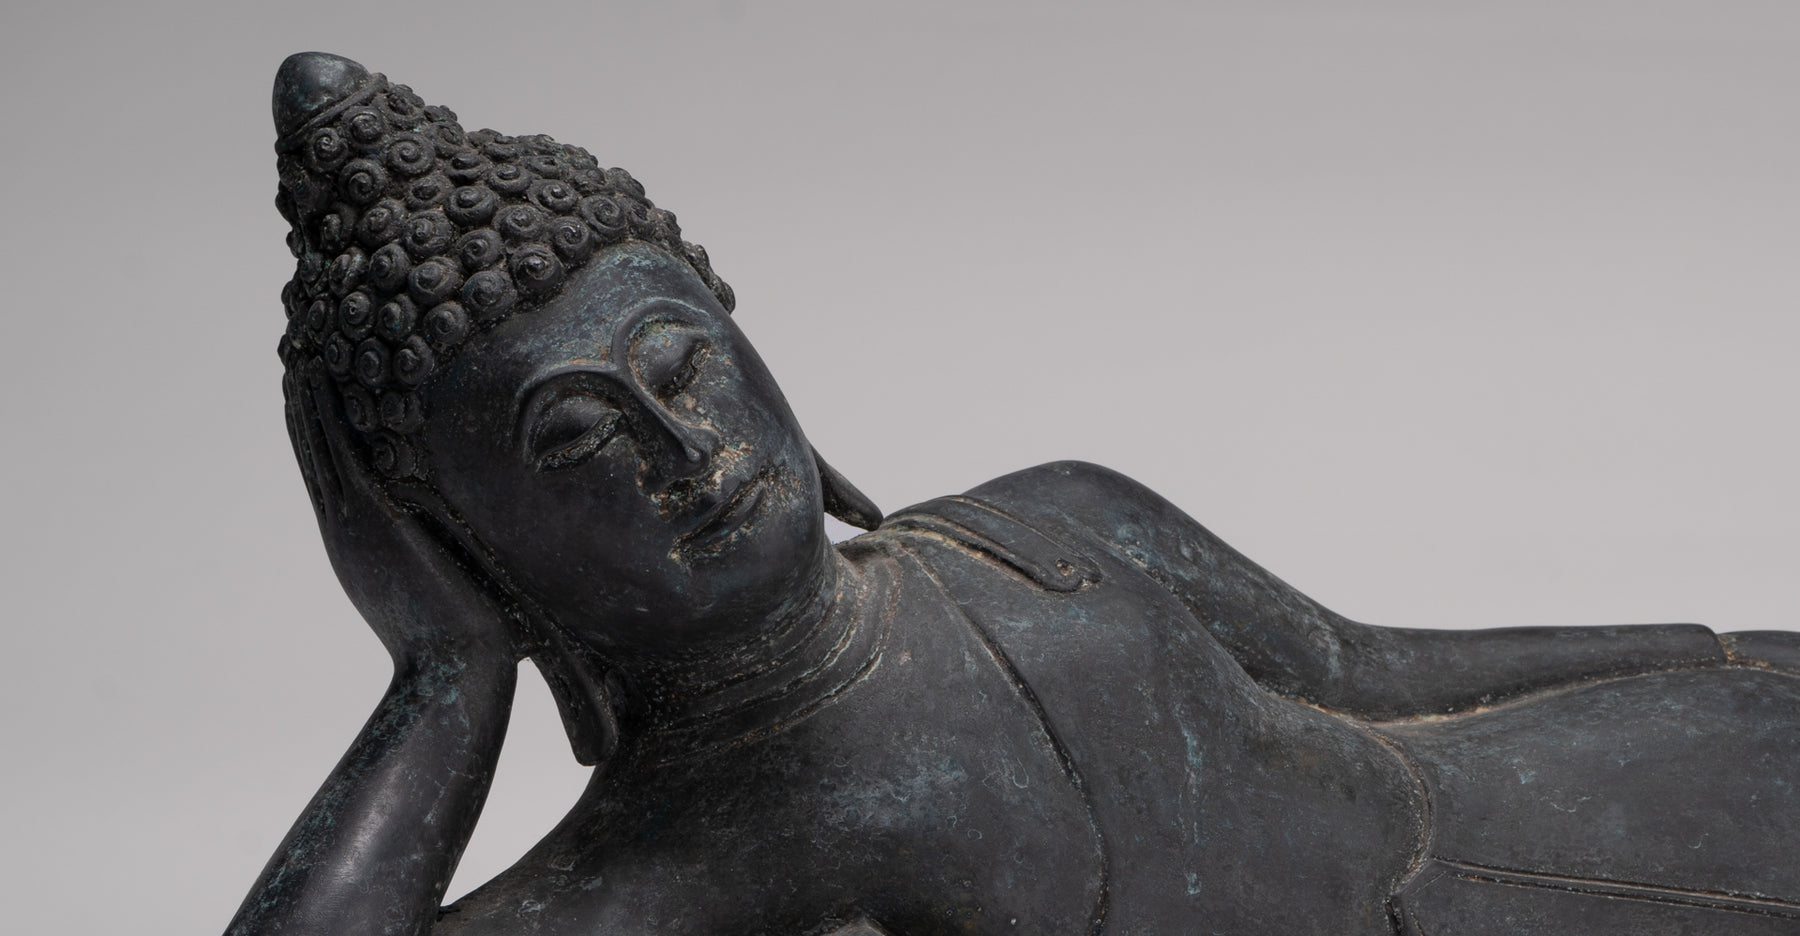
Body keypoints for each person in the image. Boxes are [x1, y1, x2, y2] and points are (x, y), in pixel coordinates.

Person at [232, 53, 1800, 936]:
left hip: (1562, 804)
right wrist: (445, 670)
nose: (685, 452)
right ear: (477, 547)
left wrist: (1716, 650)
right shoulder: (694, 847)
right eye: (578, 444)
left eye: (684, 365)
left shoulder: (1043, 525)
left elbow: (1378, 669)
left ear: (745, 343)